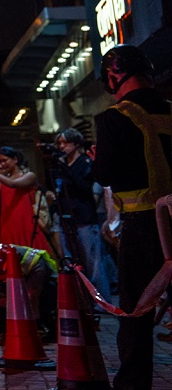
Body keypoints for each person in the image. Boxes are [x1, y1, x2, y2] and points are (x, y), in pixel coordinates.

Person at [93, 43, 172, 390]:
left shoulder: (115, 117)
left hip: (144, 226)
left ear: (113, 76)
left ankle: (133, 385)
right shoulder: (170, 110)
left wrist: (98, 158)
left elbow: (105, 174)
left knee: (137, 310)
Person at [53, 127, 119, 301]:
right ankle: (81, 298)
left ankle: (101, 300)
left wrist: (67, 170)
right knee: (71, 260)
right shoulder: (61, 164)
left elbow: (84, 187)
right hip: (66, 216)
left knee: (93, 262)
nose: (62, 146)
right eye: (59, 143)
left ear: (75, 143)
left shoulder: (85, 163)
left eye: (65, 142)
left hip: (84, 217)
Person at [0, 145, 42, 251]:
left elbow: (12, 184)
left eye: (5, 160)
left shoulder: (29, 175)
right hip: (8, 221)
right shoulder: (4, 179)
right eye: (0, 161)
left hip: (24, 220)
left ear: (15, 159)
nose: (2, 164)